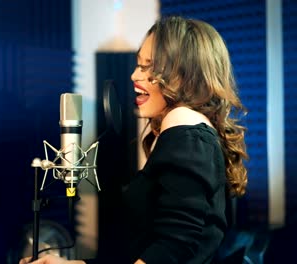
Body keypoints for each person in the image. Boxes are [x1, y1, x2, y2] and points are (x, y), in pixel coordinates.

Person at [20, 15, 248, 264]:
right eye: (138, 64)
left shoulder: (183, 122)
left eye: (148, 66)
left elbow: (172, 248)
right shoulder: (190, 131)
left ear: (184, 75)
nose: (133, 75)